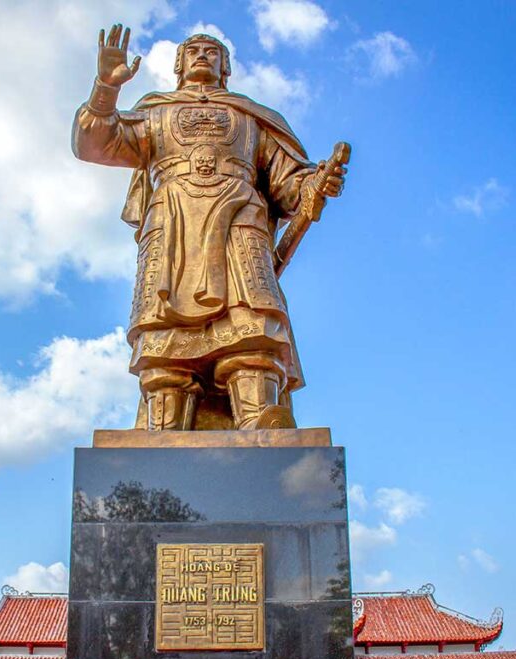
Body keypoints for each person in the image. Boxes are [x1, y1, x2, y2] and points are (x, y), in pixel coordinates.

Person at [72, 24, 346, 430]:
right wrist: (105, 90)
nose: (203, 54)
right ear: (180, 65)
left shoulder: (250, 117)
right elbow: (95, 143)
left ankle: (259, 420)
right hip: (173, 220)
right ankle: (163, 429)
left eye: (212, 50)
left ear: (226, 66)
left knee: (252, 323)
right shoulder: (156, 111)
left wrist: (313, 183)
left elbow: (287, 186)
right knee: (165, 336)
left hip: (240, 219)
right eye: (194, 50)